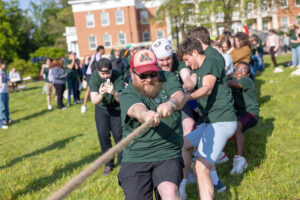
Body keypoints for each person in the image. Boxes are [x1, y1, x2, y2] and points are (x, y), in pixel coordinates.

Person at [118, 49, 186, 200]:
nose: (149, 79)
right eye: (142, 75)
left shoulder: (168, 78)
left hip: (167, 152)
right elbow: (136, 109)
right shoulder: (128, 93)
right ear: (132, 73)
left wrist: (171, 103)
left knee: (170, 192)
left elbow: (180, 96)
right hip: (136, 156)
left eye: (152, 74)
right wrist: (146, 115)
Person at [177, 38, 237, 200]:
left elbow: (207, 88)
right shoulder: (199, 68)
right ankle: (183, 187)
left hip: (222, 121)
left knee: (201, 167)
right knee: (184, 145)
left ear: (195, 53)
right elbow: (192, 81)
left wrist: (186, 98)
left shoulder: (211, 61)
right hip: (211, 122)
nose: (187, 64)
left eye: (187, 60)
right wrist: (180, 92)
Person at [89, 58, 124, 175]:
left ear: (111, 70)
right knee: (103, 136)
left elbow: (121, 99)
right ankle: (108, 164)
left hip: (116, 108)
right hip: (102, 109)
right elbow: (94, 100)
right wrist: (102, 93)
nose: (105, 76)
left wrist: (114, 92)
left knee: (119, 135)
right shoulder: (94, 78)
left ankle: (123, 161)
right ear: (98, 71)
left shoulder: (117, 75)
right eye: (102, 73)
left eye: (108, 72)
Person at [227, 62, 259, 175]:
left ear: (249, 74)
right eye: (238, 69)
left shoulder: (246, 81)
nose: (240, 71)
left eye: (244, 70)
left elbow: (234, 84)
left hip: (251, 114)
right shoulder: (236, 78)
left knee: (236, 127)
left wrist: (223, 79)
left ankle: (240, 160)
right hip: (238, 113)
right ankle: (220, 154)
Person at [81, 46, 105, 113]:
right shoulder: (98, 56)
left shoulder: (95, 55)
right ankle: (84, 106)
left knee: (96, 89)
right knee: (89, 89)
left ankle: (97, 105)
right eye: (103, 50)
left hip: (91, 74)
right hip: (91, 74)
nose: (104, 51)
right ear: (101, 50)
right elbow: (99, 66)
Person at [0, 61, 10, 129]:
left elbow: (8, 80)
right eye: (4, 64)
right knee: (2, 108)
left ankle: (7, 119)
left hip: (6, 91)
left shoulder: (4, 72)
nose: (5, 65)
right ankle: (2, 123)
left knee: (6, 107)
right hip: (0, 92)